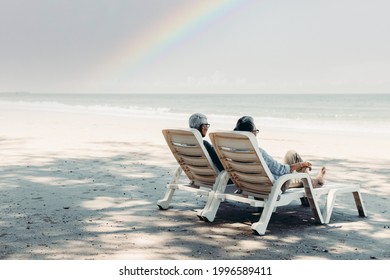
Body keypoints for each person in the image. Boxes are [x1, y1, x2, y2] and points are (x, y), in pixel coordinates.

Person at [233, 116, 326, 192]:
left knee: (293, 175)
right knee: (292, 154)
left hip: (247, 186)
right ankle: (313, 185)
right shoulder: (257, 152)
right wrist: (300, 165)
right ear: (251, 134)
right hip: (271, 188)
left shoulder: (232, 152)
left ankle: (313, 182)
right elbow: (280, 170)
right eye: (255, 131)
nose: (256, 134)